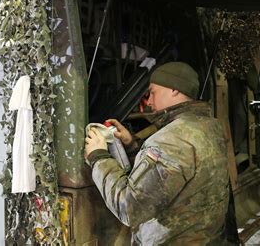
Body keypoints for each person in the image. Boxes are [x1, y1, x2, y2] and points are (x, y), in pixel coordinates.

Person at [84, 62, 230, 245]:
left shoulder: (170, 140)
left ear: (174, 90)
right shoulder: (209, 126)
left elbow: (129, 207)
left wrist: (99, 157)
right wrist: (132, 146)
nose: (150, 101)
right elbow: (169, 177)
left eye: (152, 92)